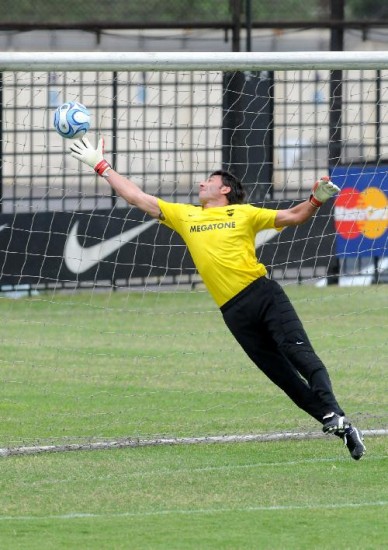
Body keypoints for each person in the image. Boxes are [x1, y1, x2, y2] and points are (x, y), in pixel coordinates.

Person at [70, 137, 366, 460]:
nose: (201, 183)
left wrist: (315, 199)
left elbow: (294, 216)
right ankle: (340, 425)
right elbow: (137, 197)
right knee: (285, 379)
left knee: (304, 360)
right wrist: (102, 167)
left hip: (263, 296)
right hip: (234, 314)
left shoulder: (244, 213)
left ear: (225, 190)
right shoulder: (185, 216)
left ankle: (335, 414)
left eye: (208, 181)